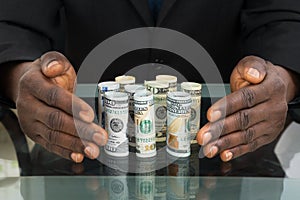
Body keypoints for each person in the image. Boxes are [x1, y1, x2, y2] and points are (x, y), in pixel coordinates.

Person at [0, 0, 299, 163]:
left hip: (225, 159)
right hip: (80, 156)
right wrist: (22, 78)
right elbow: (12, 24)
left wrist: (281, 80)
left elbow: (286, 22)